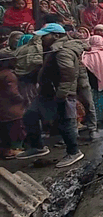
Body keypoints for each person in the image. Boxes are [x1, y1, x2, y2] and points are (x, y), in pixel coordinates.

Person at [16, 23, 85, 168]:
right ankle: (38, 147)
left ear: (56, 36)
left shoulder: (63, 52)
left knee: (66, 123)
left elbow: (68, 76)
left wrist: (61, 96)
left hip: (60, 93)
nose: (41, 38)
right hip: (47, 92)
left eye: (44, 35)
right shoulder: (52, 49)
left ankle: (74, 152)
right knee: (30, 115)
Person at [82, 36, 103, 125]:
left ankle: (97, 119)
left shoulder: (88, 55)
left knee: (95, 100)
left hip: (95, 82)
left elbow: (87, 67)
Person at [0, 53, 26, 159]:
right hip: (12, 108)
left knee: (4, 130)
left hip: (3, 108)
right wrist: (21, 99)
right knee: (16, 129)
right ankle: (14, 150)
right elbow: (13, 92)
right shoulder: (8, 75)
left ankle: (6, 150)